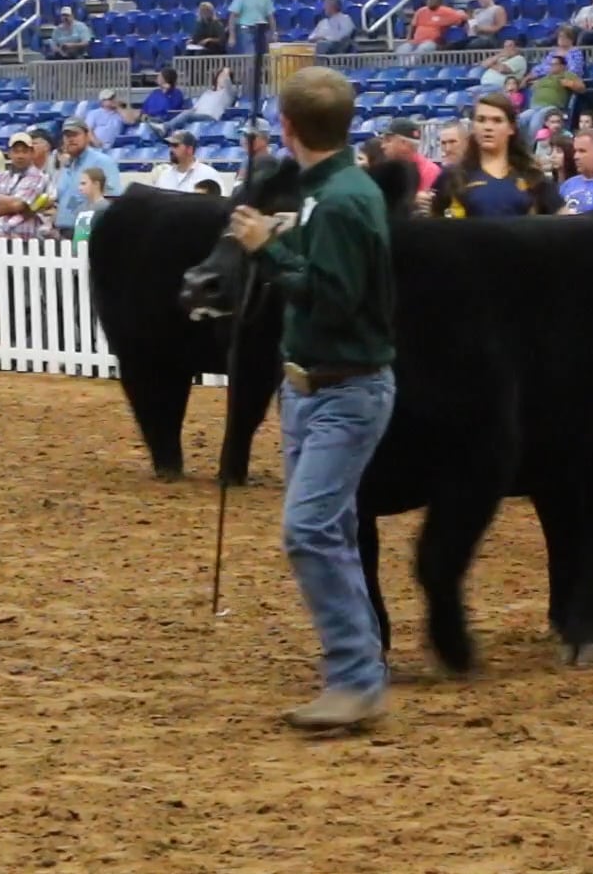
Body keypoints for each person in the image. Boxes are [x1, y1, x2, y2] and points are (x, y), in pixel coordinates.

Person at [225, 66, 397, 730]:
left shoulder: (344, 200)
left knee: (309, 530)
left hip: (342, 388)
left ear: (288, 127)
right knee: (333, 531)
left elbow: (331, 298)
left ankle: (356, 677)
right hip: (316, 387)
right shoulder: (335, 193)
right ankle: (357, 672)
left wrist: (267, 250)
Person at [430, 91, 561, 218]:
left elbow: (565, 219)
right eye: (481, 120)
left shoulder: (532, 176)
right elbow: (432, 223)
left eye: (497, 120)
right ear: (473, 126)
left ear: (511, 128)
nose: (488, 127)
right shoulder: (453, 176)